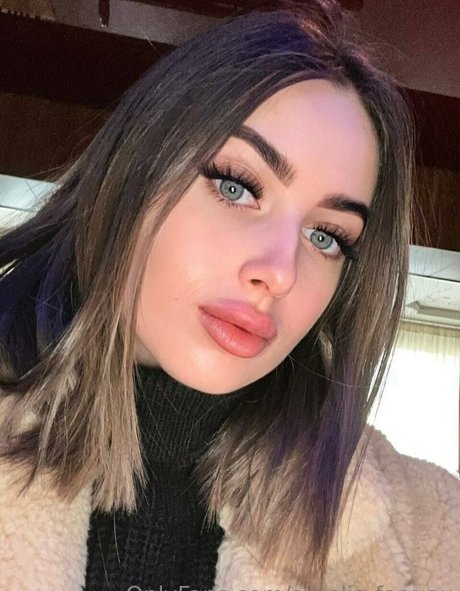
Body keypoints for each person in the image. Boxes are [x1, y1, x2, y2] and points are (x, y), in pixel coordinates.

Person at [0, 1, 459, 589]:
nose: (281, 273)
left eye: (326, 236)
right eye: (237, 187)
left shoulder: (431, 532)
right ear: (131, 172)